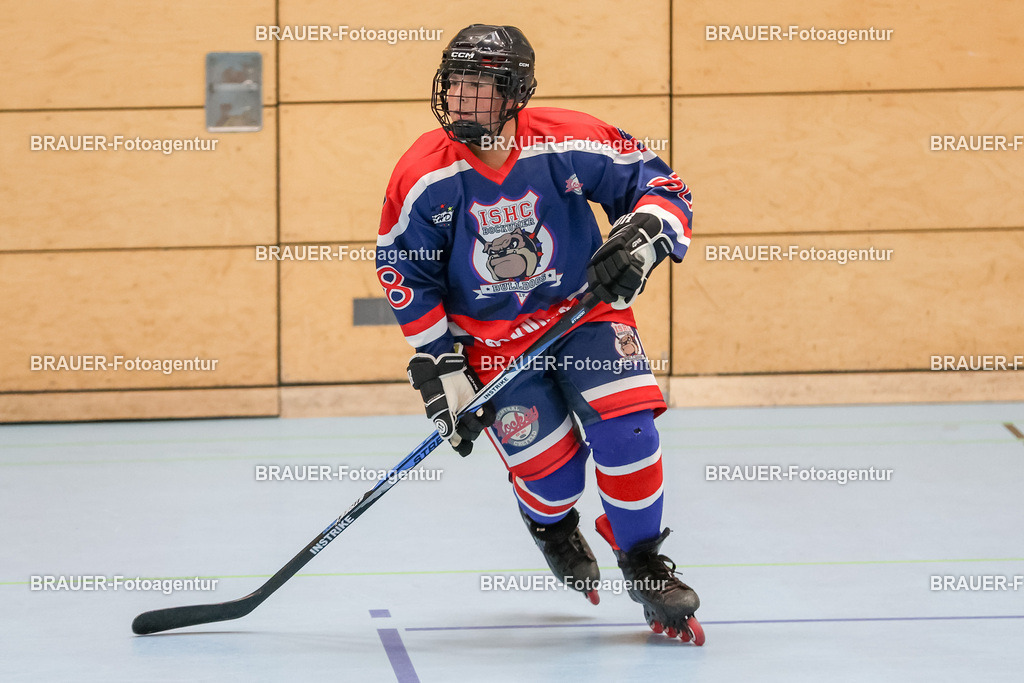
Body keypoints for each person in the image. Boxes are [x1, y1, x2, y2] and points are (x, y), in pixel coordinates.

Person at [376, 24, 703, 643]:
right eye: (457, 83)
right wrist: (441, 364)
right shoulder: (424, 175)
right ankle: (552, 527)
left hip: (583, 317)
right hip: (492, 346)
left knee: (628, 429)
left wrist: (642, 235)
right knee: (552, 480)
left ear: (516, 91)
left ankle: (642, 562)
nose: (464, 98)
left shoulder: (570, 140)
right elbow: (404, 270)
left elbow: (663, 186)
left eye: (482, 85)